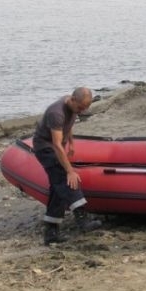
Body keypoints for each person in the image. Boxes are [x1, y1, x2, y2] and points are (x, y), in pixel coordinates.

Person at [33, 87, 101, 245]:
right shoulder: (56, 113)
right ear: (72, 99)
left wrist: (71, 142)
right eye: (80, 108)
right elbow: (56, 145)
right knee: (66, 178)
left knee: (57, 189)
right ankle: (82, 219)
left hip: (56, 145)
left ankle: (51, 233)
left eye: (85, 108)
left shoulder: (74, 107)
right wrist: (70, 170)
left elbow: (68, 125)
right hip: (45, 148)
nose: (81, 111)